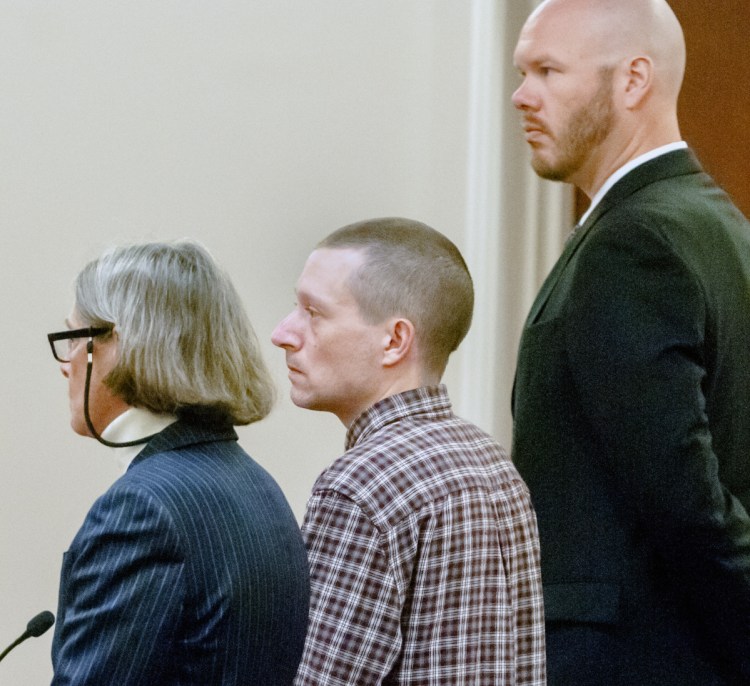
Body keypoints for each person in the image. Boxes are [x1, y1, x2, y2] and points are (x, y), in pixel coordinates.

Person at [510, 0, 750, 683]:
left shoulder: (632, 242)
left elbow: (684, 499)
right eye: (523, 72)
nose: (522, 95)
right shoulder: (717, 222)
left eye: (549, 71)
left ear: (633, 80)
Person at [271, 217, 545, 685]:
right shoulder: (494, 463)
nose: (284, 332)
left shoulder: (361, 485)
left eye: (313, 313)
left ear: (395, 340)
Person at [47, 240, 309, 685]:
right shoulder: (256, 483)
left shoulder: (141, 510)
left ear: (122, 343)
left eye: (74, 338)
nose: (66, 365)